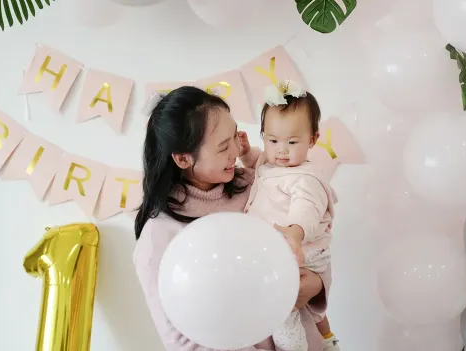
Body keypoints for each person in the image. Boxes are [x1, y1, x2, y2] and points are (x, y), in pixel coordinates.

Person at [133, 86, 332, 351]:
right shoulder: (160, 237)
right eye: (223, 147)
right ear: (182, 158)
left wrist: (316, 285)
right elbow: (183, 341)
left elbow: (315, 241)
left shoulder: (257, 184)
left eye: (235, 137)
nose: (237, 151)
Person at [239, 80, 339, 351]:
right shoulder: (269, 161)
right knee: (310, 309)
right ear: (263, 135)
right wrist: (247, 153)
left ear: (312, 139)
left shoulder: (305, 178)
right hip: (289, 249)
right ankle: (329, 340)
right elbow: (257, 164)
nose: (281, 150)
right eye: (272, 140)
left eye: (292, 142)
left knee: (282, 311)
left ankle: (294, 348)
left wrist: (294, 232)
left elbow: (305, 209)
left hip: (301, 247)